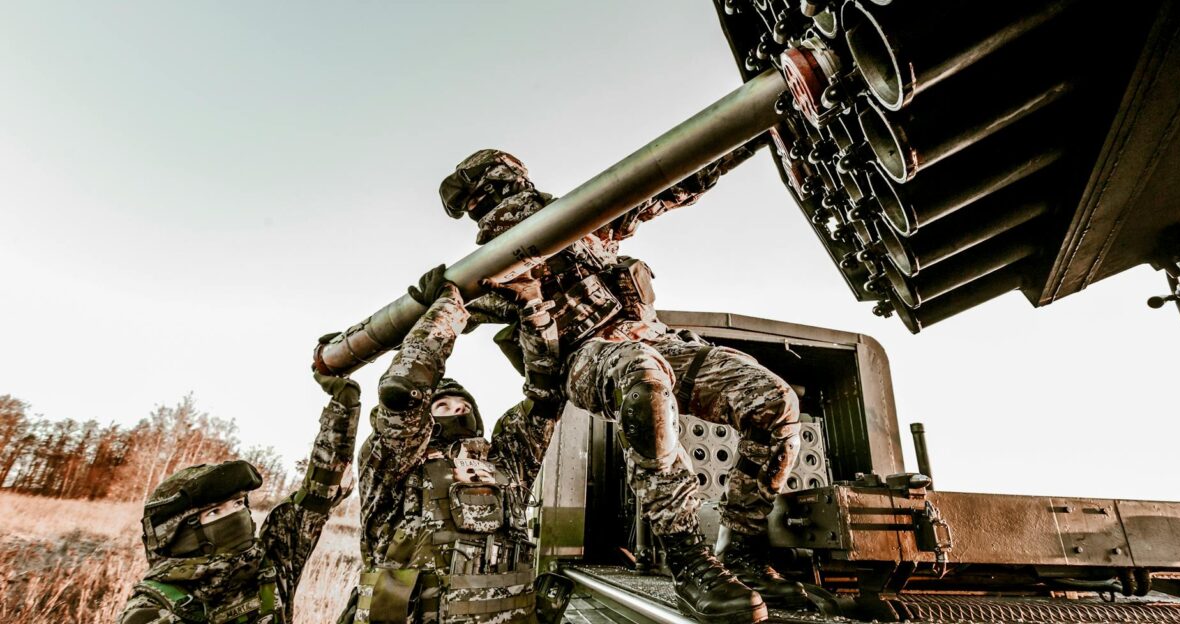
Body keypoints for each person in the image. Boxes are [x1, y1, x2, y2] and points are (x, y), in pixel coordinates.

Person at [440, 148, 813, 623]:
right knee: (642, 379)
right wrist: (434, 297)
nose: (510, 208)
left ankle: (741, 551)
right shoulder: (486, 271)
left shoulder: (583, 217)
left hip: (654, 339)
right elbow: (437, 317)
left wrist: (751, 134)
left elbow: (677, 178)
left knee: (773, 400)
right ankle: (687, 558)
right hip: (586, 358)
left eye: (509, 190)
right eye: (493, 199)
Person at [343, 265, 565, 624]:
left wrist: (533, 313)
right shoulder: (393, 461)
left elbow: (546, 397)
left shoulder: (507, 462)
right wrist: (448, 311)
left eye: (463, 408)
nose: (455, 413)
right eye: (442, 407)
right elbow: (401, 391)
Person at [120, 369, 361, 624]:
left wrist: (343, 408)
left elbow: (317, 497)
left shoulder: (266, 567)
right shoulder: (152, 611)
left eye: (238, 504)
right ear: (179, 533)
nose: (235, 516)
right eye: (215, 512)